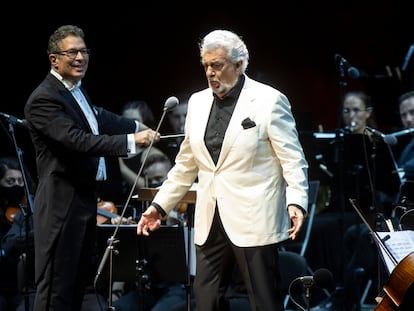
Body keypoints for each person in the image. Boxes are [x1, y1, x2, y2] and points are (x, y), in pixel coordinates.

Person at [136, 29, 309, 311]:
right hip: (210, 219)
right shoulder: (197, 102)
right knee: (205, 303)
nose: (210, 72)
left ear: (239, 65)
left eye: (217, 65)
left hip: (254, 218)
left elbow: (293, 159)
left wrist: (296, 202)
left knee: (264, 303)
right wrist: (159, 206)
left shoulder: (269, 100)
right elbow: (185, 165)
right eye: (205, 65)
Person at [23, 24, 160, 311]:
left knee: (79, 286)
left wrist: (139, 126)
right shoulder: (44, 99)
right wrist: (131, 140)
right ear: (54, 59)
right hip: (62, 206)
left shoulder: (75, 91)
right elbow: (79, 141)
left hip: (84, 201)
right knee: (56, 288)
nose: (80, 57)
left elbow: (100, 117)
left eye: (84, 51)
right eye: (72, 52)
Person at [118, 100, 165, 193]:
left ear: (145, 124)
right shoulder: (118, 148)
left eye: (135, 122)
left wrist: (122, 168)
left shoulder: (152, 154)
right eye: (125, 122)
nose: (129, 126)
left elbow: (153, 189)